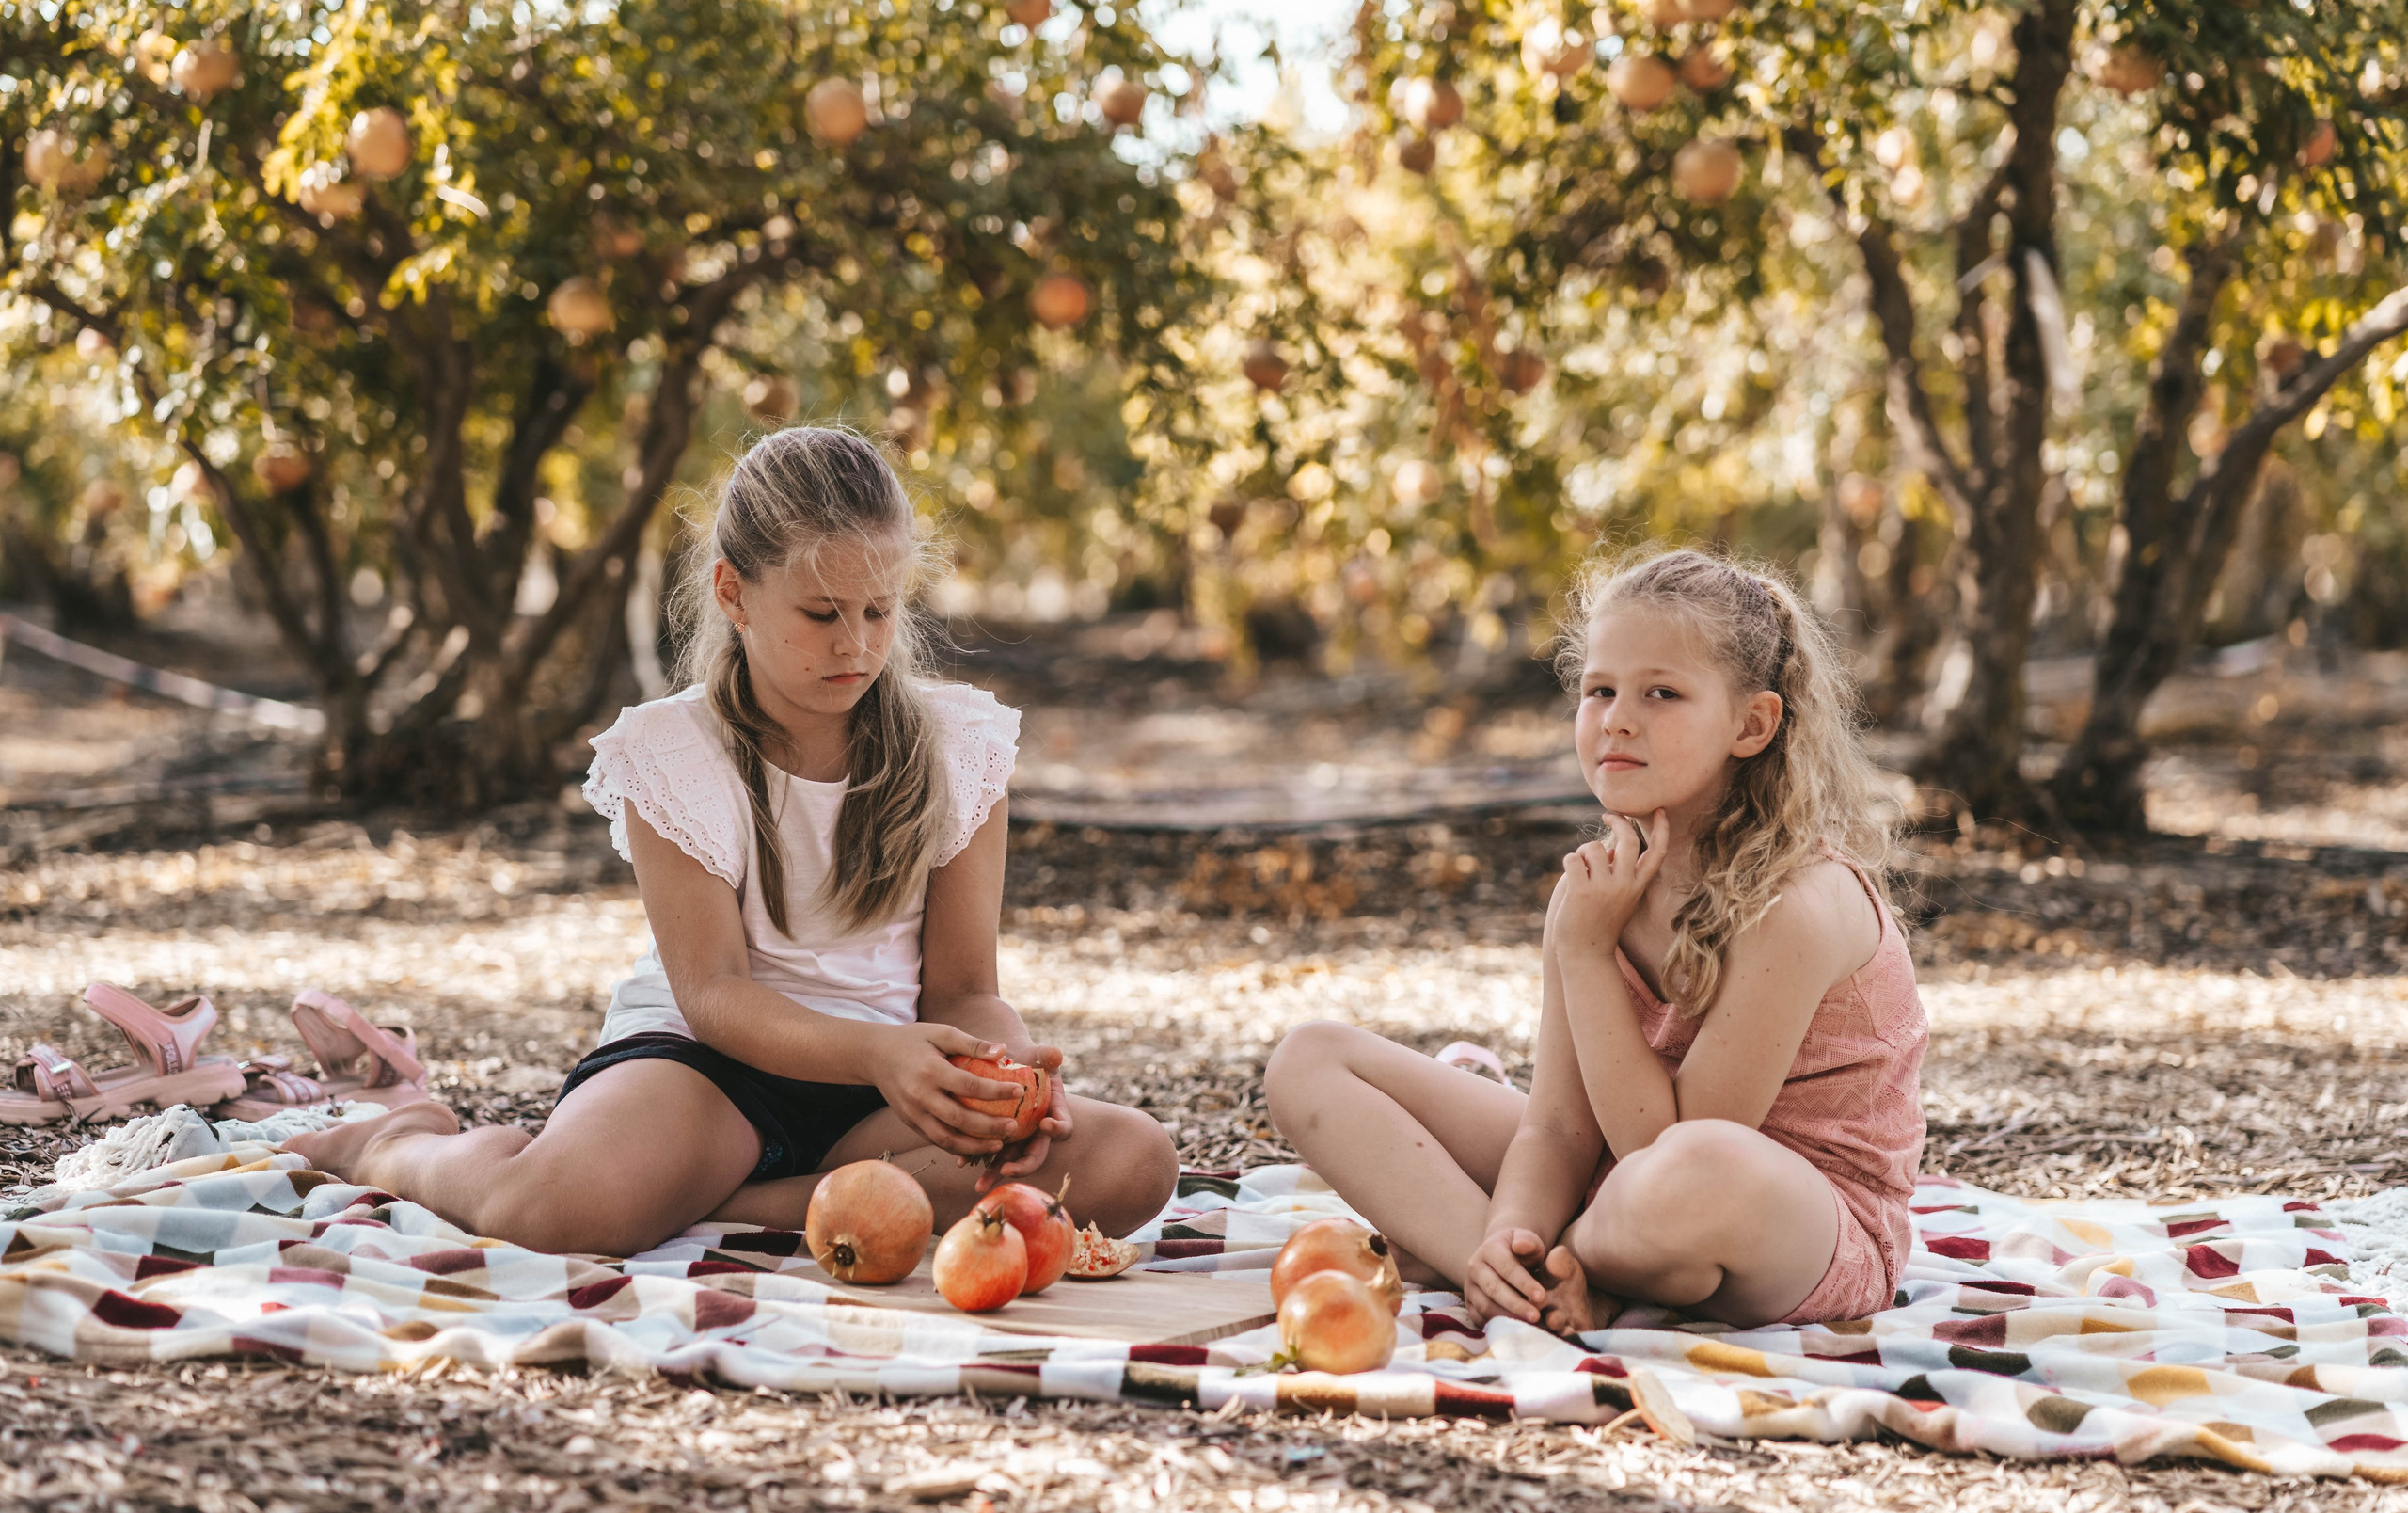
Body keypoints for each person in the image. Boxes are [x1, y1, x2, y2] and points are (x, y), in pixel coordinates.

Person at [287, 426, 1178, 1255]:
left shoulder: (961, 749)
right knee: (554, 1213)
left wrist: (1001, 1075)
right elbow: (712, 994)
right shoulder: (674, 752)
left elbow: (965, 989)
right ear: (732, 592)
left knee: (1133, 1162)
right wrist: (877, 1052)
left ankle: (725, 1203)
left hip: (890, 1088)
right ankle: (398, 1142)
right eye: (823, 613)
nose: (858, 645)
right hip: (705, 1071)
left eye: (879, 611)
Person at [1264, 548, 1925, 1333]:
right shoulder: (1593, 892)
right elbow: (1557, 1128)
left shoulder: (1797, 904)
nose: (1617, 717)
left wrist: (1585, 954)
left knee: (1692, 1170)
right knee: (1309, 1058)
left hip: (1784, 1218)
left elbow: (1666, 1144)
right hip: (1620, 1183)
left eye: (1662, 693)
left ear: (1752, 724)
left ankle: (1569, 1264)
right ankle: (1510, 1272)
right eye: (1600, 690)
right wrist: (1515, 1226)